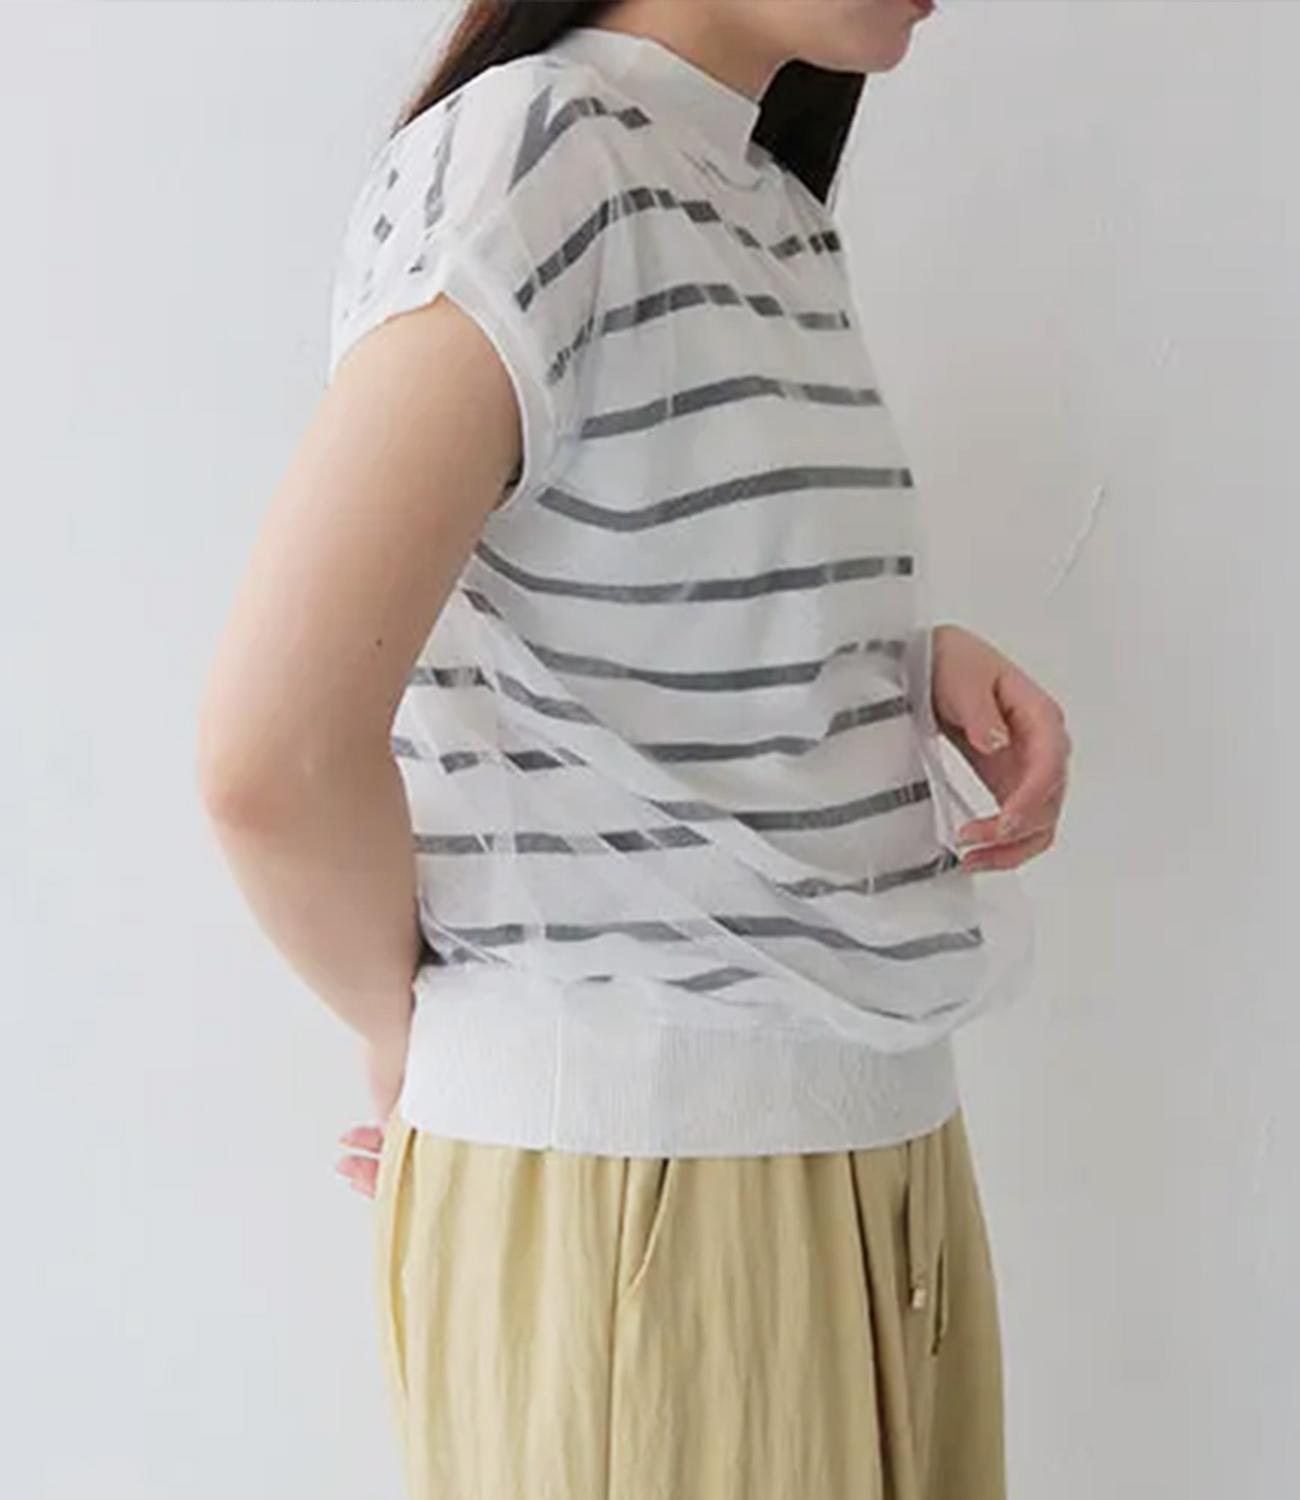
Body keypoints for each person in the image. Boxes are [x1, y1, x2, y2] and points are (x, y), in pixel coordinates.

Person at [197, 1, 1071, 1495]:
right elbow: (269, 755)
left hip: (875, 1160)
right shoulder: (534, 157)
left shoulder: (759, 194)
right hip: (660, 1200)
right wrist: (417, 1039)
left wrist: (893, 662)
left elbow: (594, 586)